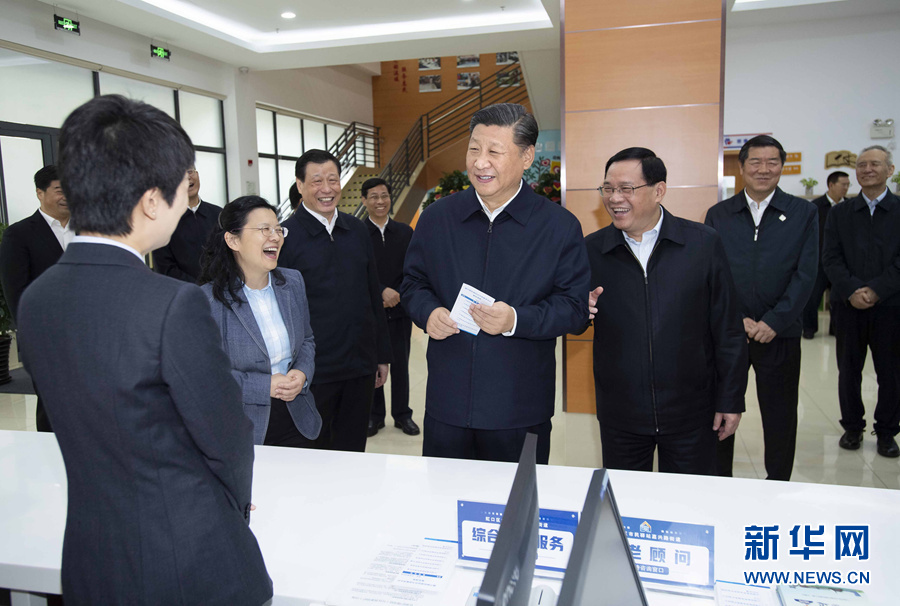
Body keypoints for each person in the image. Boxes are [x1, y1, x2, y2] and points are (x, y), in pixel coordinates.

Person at [15, 95, 272, 605]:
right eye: (180, 187)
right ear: (153, 201)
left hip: (93, 555)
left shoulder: (37, 298)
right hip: (188, 558)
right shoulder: (172, 304)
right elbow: (226, 437)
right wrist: (233, 509)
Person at [401, 102, 589, 464]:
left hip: (519, 410)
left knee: (515, 499)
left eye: (494, 151)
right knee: (444, 495)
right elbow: (413, 282)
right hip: (447, 405)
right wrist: (428, 312)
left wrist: (516, 320)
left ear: (527, 156)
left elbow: (575, 308)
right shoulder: (438, 218)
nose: (480, 162)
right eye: (474, 148)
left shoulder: (558, 227)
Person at [584, 147, 747, 475]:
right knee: (626, 500)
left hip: (692, 412)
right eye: (608, 189)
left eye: (626, 188)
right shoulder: (592, 250)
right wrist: (578, 309)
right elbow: (573, 322)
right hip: (622, 415)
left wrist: (730, 399)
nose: (614, 198)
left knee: (690, 500)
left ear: (659, 191)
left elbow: (728, 329)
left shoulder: (702, 244)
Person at [705, 135, 818, 481]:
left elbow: (806, 273)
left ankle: (778, 483)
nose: (763, 169)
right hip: (729, 334)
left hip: (780, 333)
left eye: (772, 162)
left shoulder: (803, 212)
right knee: (721, 409)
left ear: (782, 166)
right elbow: (711, 273)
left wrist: (775, 321)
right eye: (755, 162)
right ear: (741, 167)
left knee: (780, 415)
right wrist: (735, 318)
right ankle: (718, 481)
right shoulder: (719, 214)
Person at [278, 149, 391, 452]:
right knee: (313, 453)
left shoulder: (357, 230)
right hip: (312, 372)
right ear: (300, 185)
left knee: (352, 450)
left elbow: (372, 295)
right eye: (316, 181)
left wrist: (381, 355)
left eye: (333, 179)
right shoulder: (285, 238)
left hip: (359, 367)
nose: (326, 189)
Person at [199, 196, 322, 447]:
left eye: (278, 229)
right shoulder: (208, 300)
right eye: (264, 229)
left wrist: (302, 373)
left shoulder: (292, 283)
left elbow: (307, 340)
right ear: (233, 240)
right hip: (239, 427)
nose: (275, 237)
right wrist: (263, 386)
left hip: (296, 418)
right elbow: (205, 374)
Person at [823, 145, 900, 458]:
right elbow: (830, 257)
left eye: (875, 164)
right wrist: (853, 290)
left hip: (891, 307)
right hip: (848, 306)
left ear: (890, 170)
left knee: (891, 373)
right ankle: (852, 427)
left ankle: (887, 431)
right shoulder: (840, 213)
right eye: (862, 165)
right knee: (849, 371)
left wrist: (877, 289)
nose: (867, 169)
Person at [0, 164, 73, 432]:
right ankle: (49, 453)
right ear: (40, 193)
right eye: (59, 190)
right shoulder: (19, 234)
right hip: (47, 336)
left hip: (91, 334)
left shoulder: (90, 230)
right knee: (52, 405)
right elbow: (16, 291)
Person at [362, 178, 419, 437]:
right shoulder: (358, 233)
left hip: (399, 310)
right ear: (364, 200)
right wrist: (380, 291)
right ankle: (374, 416)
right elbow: (357, 271)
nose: (380, 201)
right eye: (374, 196)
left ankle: (402, 415)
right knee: (373, 364)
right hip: (371, 312)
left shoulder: (405, 232)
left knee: (401, 365)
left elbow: (414, 270)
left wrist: (397, 293)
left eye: (384, 195)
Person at [802, 171, 850, 339]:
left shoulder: (850, 207)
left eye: (848, 185)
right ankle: (809, 329)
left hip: (842, 262)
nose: (846, 188)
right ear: (831, 185)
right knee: (812, 297)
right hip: (819, 261)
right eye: (843, 184)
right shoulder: (815, 207)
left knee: (840, 299)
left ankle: (836, 329)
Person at [152, 164, 220, 281]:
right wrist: (198, 287)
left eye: (190, 171)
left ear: (197, 174)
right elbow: (165, 268)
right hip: (184, 290)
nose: (188, 177)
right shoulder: (163, 221)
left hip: (221, 288)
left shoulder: (219, 214)